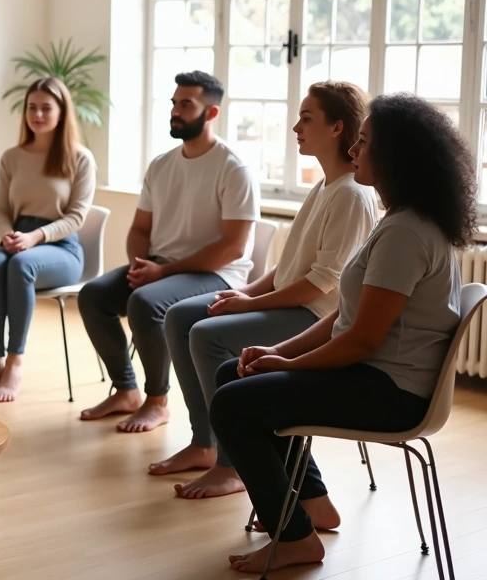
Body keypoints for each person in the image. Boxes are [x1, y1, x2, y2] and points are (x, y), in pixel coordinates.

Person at [210, 94, 476, 574]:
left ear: (394, 157)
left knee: (233, 403)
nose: (353, 149)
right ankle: (311, 504)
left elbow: (361, 341)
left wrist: (288, 365)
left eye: (364, 141)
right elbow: (345, 316)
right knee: (235, 372)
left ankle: (295, 538)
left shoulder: (405, 234)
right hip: (375, 377)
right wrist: (277, 351)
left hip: (392, 393)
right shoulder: (398, 221)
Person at [153, 82, 381, 499]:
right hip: (292, 305)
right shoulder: (325, 185)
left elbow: (321, 282)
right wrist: (244, 295)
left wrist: (251, 303)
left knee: (206, 335)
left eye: (306, 118)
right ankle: (204, 441)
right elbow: (289, 266)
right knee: (181, 315)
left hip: (314, 317)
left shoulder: (351, 194)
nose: (296, 127)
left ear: (336, 128)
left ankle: (231, 464)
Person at [78, 71, 259, 431]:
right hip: (162, 268)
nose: (175, 111)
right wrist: (141, 264)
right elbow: (140, 229)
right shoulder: (161, 165)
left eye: (186, 105)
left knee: (145, 302)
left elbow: (232, 247)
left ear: (211, 113)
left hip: (217, 274)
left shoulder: (233, 168)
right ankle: (126, 390)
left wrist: (162, 273)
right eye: (174, 103)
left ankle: (157, 402)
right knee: (93, 296)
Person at [0, 76, 96, 403]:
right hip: (16, 239)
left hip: (62, 248)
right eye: (31, 107)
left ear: (61, 112)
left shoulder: (80, 158)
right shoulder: (12, 157)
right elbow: (0, 210)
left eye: (46, 108)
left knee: (21, 266)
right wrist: (8, 235)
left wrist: (35, 237)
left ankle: (15, 362)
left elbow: (76, 217)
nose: (37, 114)